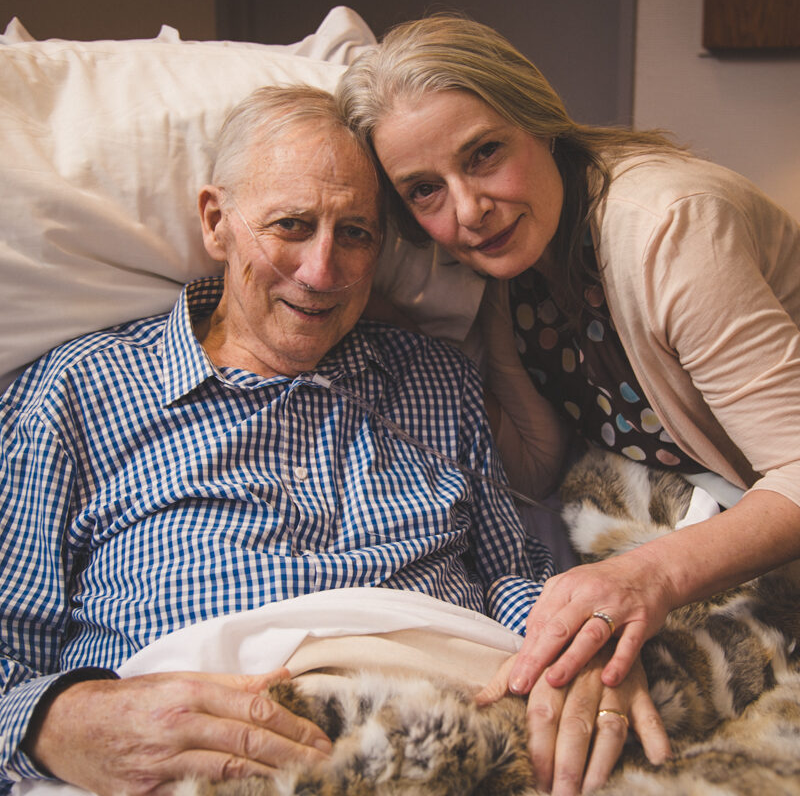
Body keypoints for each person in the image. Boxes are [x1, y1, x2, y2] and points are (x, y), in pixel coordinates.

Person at [0, 85, 669, 796]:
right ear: (217, 223)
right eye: (291, 226)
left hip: (454, 729)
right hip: (207, 753)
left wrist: (575, 650)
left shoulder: (433, 378)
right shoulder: (78, 392)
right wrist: (60, 724)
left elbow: (510, 573)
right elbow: (11, 646)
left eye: (355, 234)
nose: (321, 273)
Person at [337, 4, 800, 758]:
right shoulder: (512, 271)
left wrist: (647, 576)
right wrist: (384, 329)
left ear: (540, 120)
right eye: (424, 191)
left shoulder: (669, 227)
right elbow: (535, 466)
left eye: (484, 153)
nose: (468, 211)